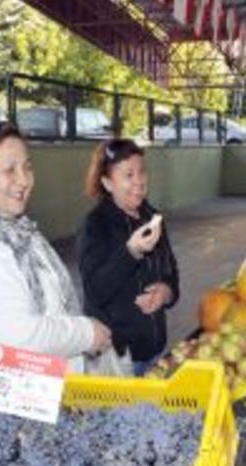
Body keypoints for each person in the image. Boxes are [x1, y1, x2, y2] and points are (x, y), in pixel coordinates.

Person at [0, 125, 111, 372]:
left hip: (37, 391)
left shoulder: (15, 229)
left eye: (27, 167)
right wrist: (86, 333)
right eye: (9, 170)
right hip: (4, 399)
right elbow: (20, 339)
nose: (24, 180)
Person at [77, 139, 180, 376]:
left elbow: (171, 271)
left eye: (142, 172)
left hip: (155, 352)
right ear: (107, 182)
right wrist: (131, 252)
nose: (139, 181)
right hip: (118, 361)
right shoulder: (95, 226)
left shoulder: (152, 217)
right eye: (129, 174)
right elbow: (95, 290)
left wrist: (166, 292)